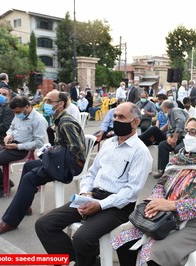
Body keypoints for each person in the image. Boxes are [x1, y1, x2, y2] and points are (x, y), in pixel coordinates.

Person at [35, 102, 152, 266]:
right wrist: (84, 193)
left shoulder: (140, 152)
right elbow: (92, 173)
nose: (116, 120)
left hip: (117, 206)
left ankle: (85, 261)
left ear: (135, 122)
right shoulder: (109, 143)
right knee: (44, 225)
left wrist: (100, 205)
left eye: (122, 117)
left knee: (82, 238)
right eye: (115, 116)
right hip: (92, 197)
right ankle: (76, 261)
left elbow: (131, 192)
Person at [111, 116, 196, 266]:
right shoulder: (179, 159)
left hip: (193, 225)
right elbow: (161, 183)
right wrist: (156, 203)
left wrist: (172, 205)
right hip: (163, 216)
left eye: (194, 132)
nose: (189, 136)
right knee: (124, 240)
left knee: (154, 254)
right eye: (187, 132)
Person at [0, 90, 86, 236]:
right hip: (61, 161)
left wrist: (54, 156)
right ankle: (24, 204)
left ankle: (9, 221)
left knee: (30, 177)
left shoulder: (66, 122)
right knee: (29, 166)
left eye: (49, 102)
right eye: (45, 101)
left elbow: (76, 149)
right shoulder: (59, 119)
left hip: (70, 166)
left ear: (60, 104)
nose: (45, 104)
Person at [0, 96, 48, 199]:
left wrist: (18, 146)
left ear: (27, 106)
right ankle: (6, 183)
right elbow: (11, 128)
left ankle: (2, 187)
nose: (17, 115)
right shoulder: (18, 115)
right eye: (15, 112)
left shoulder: (38, 120)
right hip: (11, 144)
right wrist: (9, 135)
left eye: (18, 112)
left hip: (22, 149)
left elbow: (39, 143)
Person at [153, 100, 189, 179]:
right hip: (175, 138)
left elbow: (181, 123)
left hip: (185, 137)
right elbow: (169, 130)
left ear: (164, 108)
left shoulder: (176, 111)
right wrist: (169, 138)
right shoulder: (169, 115)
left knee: (178, 149)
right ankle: (163, 171)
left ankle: (178, 173)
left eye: (162, 109)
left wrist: (175, 137)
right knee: (162, 145)